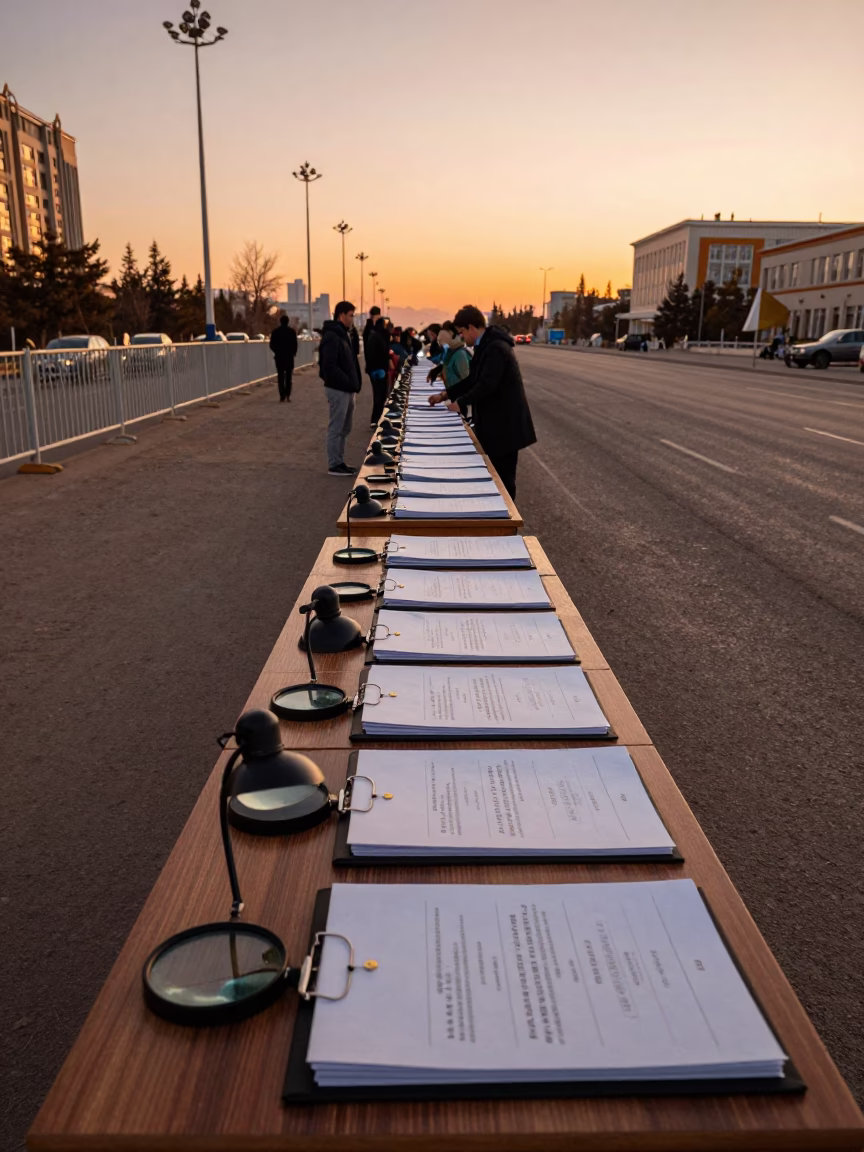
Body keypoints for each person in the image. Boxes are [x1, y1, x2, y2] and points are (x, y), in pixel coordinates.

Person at [429, 305, 536, 499]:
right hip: (495, 423)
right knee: (494, 475)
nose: (462, 338)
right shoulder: (485, 345)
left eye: (461, 333)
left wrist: (460, 403)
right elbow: (472, 380)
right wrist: (445, 395)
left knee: (503, 479)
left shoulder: (496, 347)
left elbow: (487, 385)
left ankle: (507, 523)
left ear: (471, 327)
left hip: (505, 426)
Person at [319, 300, 362, 476]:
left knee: (345, 428)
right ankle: (334, 464)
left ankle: (340, 461)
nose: (352, 319)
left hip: (347, 389)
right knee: (336, 427)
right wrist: (345, 381)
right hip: (338, 389)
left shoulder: (344, 334)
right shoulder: (332, 336)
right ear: (341, 315)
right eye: (350, 315)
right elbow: (328, 365)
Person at [427, 321, 471, 394]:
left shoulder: (460, 355)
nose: (440, 346)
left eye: (441, 343)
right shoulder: (451, 353)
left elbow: (466, 381)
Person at [365, 316, 391, 428]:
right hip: (378, 370)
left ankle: (377, 418)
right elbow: (373, 354)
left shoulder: (376, 335)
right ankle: (376, 419)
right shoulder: (376, 336)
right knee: (379, 395)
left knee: (380, 395)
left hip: (378, 369)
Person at [269, 315, 298, 402]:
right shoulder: (292, 332)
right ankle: (288, 395)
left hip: (279, 357)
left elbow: (271, 344)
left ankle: (282, 395)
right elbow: (295, 344)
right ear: (288, 321)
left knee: (280, 376)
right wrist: (293, 353)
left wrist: (276, 351)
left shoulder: (275, 332)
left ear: (280, 321)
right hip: (289, 357)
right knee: (289, 377)